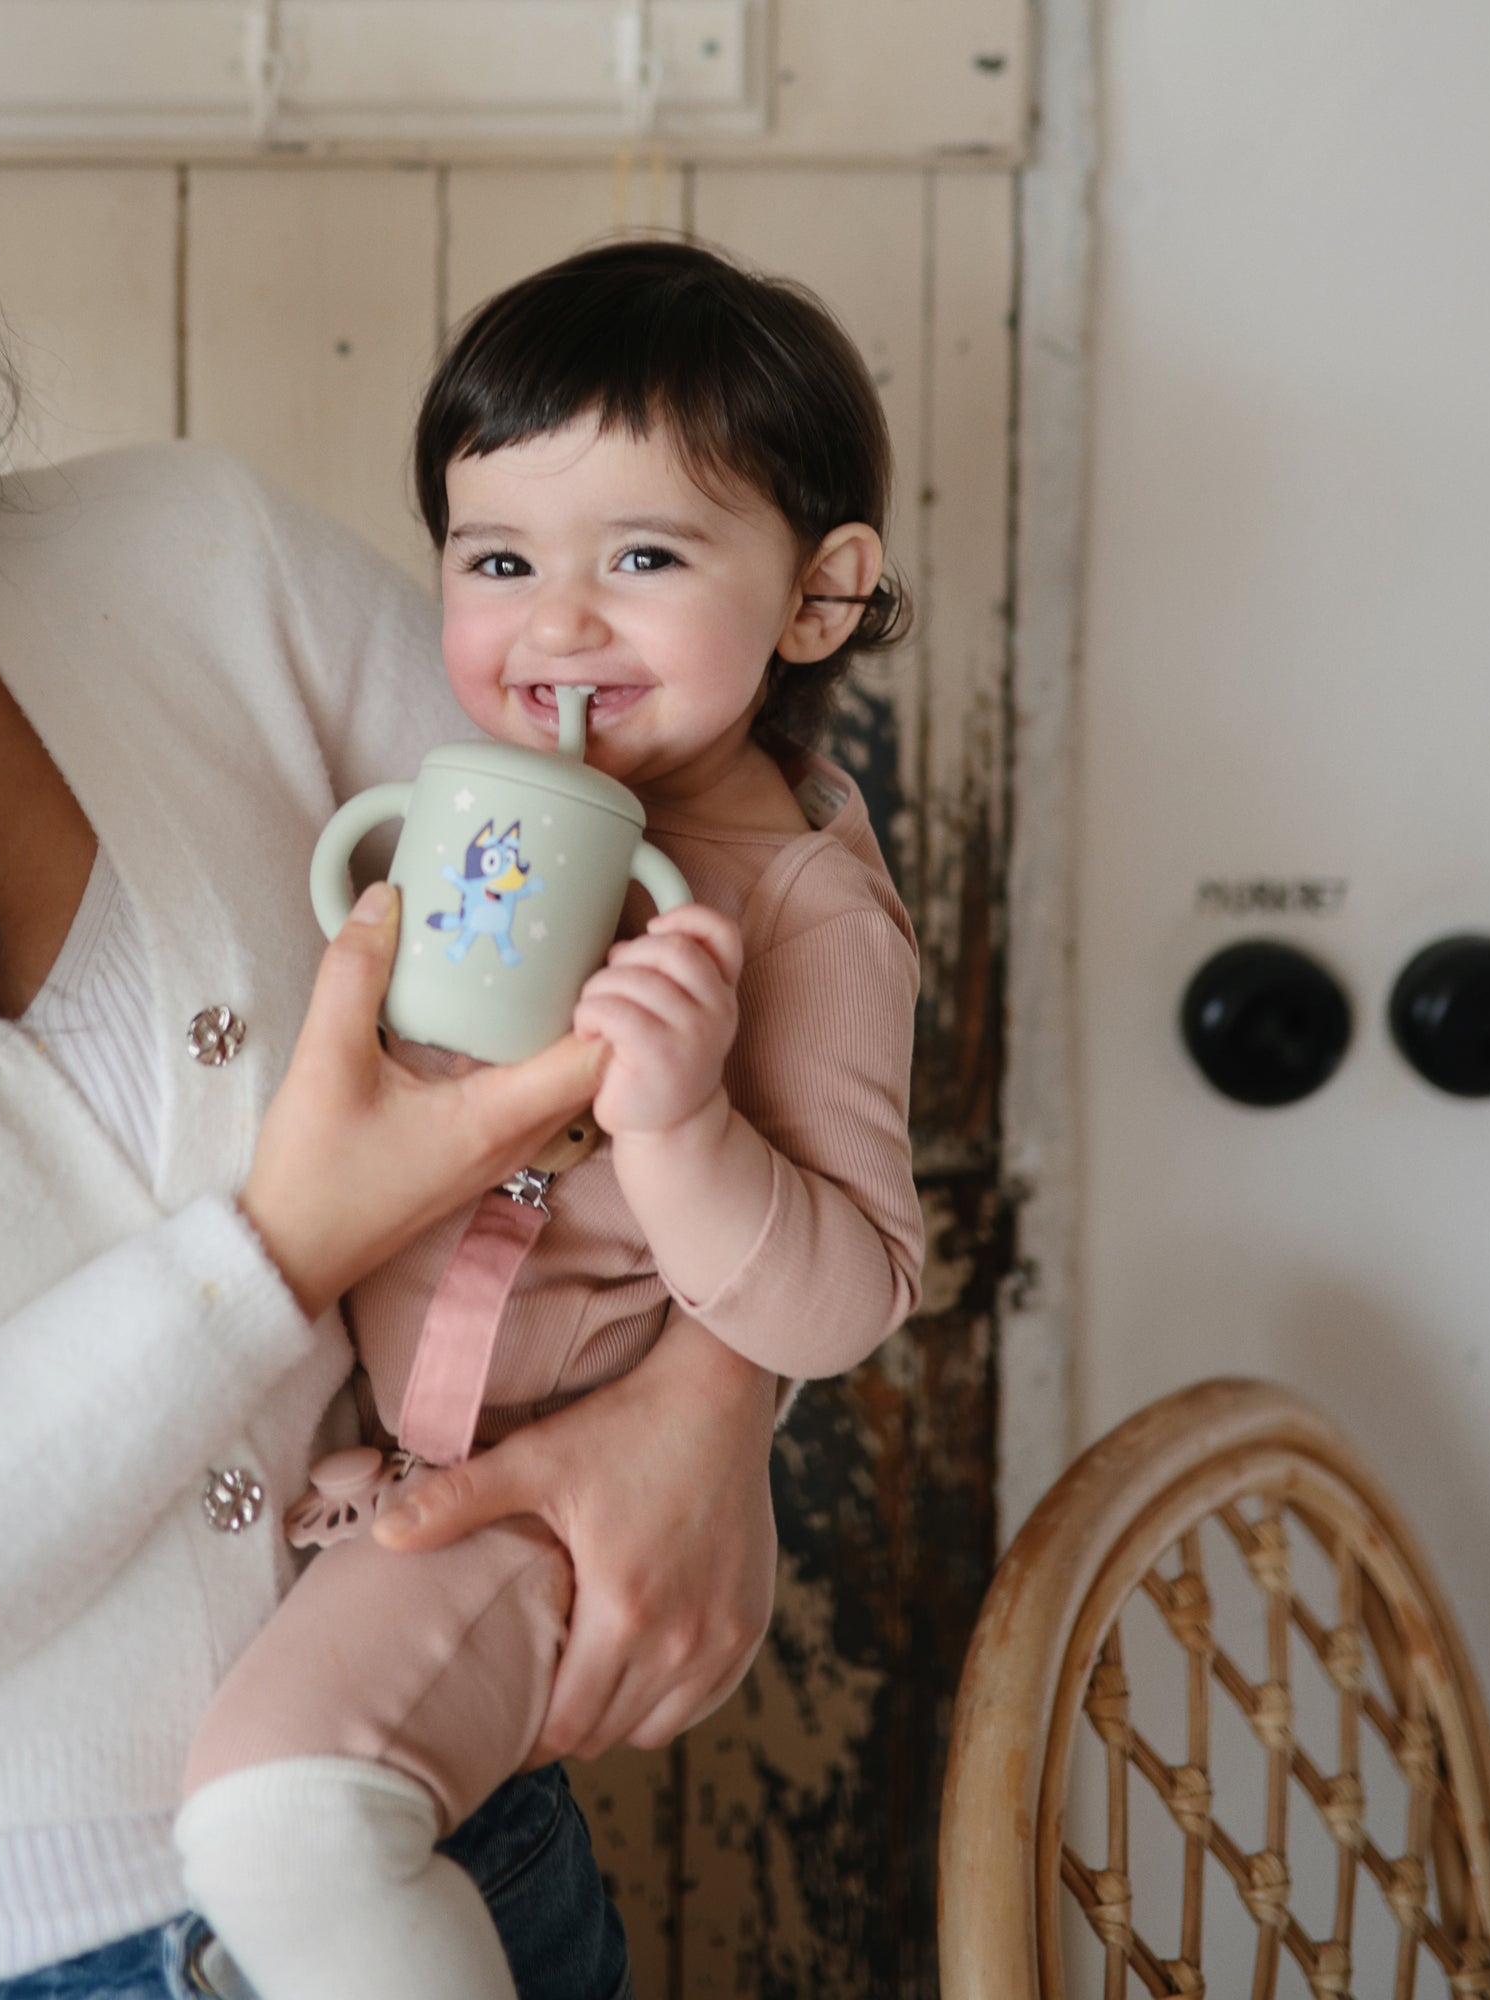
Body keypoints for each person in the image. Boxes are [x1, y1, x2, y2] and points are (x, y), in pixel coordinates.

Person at [0, 11, 786, 2000]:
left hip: (456, 1893)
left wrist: (714, 1399)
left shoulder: (199, 570)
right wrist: (273, 1257)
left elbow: (739, 864)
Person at [173, 240, 928, 2000]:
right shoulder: (463, 807)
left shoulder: (810, 907)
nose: (557, 624)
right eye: (497, 558)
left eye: (645, 559)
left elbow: (851, 1294)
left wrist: (680, 1128)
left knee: (280, 1803)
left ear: (818, 598)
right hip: (376, 1470)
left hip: (545, 1522)